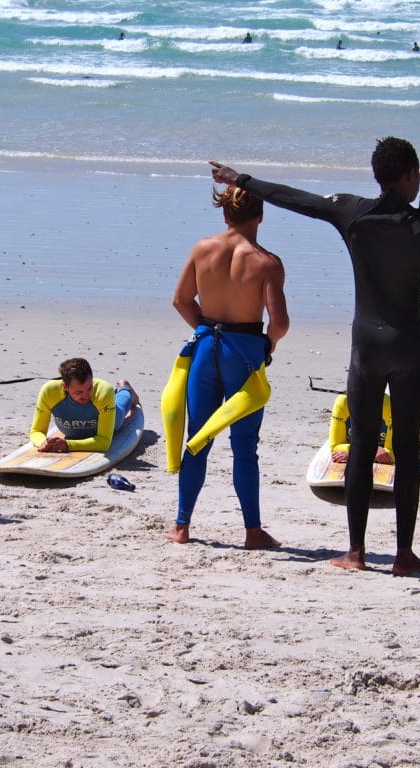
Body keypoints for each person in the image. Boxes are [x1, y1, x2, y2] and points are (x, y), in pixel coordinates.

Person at [210, 136, 420, 574]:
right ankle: (403, 556)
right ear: (407, 176)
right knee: (407, 451)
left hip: (367, 350)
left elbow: (294, 199)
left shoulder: (351, 212)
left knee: (360, 446)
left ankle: (355, 553)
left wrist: (240, 178)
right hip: (409, 348)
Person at [164, 185, 289, 549]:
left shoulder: (203, 249)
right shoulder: (267, 262)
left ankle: (182, 526)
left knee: (198, 439)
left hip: (205, 347)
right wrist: (268, 345)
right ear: (261, 216)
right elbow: (279, 322)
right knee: (245, 445)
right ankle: (252, 531)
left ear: (224, 215)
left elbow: (180, 299)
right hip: (245, 352)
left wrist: (204, 329)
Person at [29, 357, 138, 453]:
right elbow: (36, 431)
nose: (86, 396)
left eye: (89, 388)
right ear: (65, 387)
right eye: (79, 392)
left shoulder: (103, 391)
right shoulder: (49, 392)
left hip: (113, 422)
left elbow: (104, 442)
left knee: (123, 403)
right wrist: (44, 443)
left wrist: (69, 445)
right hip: (73, 433)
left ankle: (124, 387)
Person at [329, 392, 393, 465]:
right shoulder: (343, 402)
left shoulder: (389, 405)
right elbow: (335, 446)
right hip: (375, 453)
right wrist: (371, 450)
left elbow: (393, 454)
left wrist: (354, 453)